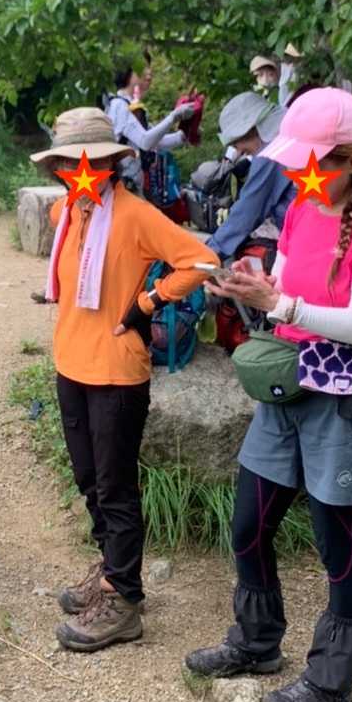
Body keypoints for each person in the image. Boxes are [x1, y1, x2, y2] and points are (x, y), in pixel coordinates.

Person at [183, 89, 352, 702]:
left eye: (313, 162)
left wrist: (279, 304)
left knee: (338, 542)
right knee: (249, 525)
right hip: (288, 385)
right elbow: (283, 287)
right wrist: (251, 288)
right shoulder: (304, 209)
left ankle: (332, 680)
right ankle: (256, 642)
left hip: (348, 399)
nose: (297, 173)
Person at [30, 108, 221, 653]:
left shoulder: (136, 215)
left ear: (109, 164)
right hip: (70, 363)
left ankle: (125, 600)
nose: (77, 171)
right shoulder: (68, 212)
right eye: (68, 163)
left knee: (115, 487)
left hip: (116, 370)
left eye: (88, 162)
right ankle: (112, 567)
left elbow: (200, 261)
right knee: (89, 479)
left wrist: (146, 303)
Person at [203, 93, 293, 264]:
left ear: (250, 130)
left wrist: (206, 254)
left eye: (236, 143)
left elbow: (248, 211)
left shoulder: (270, 153)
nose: (239, 151)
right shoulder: (287, 136)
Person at [106, 65, 195, 191]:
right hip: (122, 186)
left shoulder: (129, 104)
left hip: (133, 185)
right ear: (129, 74)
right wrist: (173, 116)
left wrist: (183, 136)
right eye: (142, 68)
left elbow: (155, 142)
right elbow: (145, 142)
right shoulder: (119, 106)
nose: (149, 74)